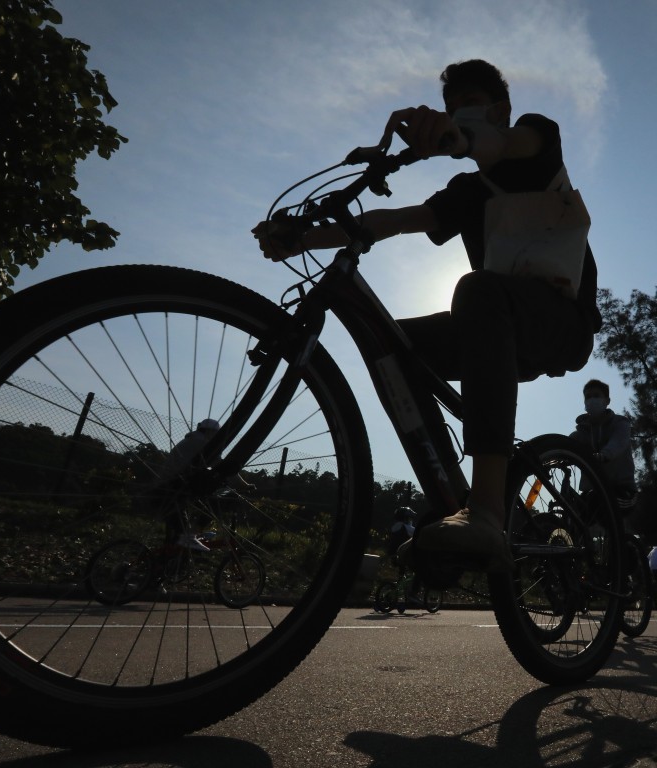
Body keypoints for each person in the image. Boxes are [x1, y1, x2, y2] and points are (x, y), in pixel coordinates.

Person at [252, 59, 600, 571]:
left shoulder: (536, 141)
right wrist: (299, 238)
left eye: (468, 107)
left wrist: (458, 137)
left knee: (477, 291)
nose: (457, 115)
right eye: (450, 109)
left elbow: (501, 146)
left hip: (561, 323)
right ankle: (449, 495)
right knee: (390, 344)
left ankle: (485, 509)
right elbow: (391, 221)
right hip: (496, 331)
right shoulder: (469, 192)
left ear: (500, 110)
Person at [570, 379, 637, 507]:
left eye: (596, 396)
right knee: (574, 513)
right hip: (592, 490)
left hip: (621, 489)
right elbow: (567, 443)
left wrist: (604, 455)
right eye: (588, 397)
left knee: (605, 507)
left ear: (607, 401)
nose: (592, 400)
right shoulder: (582, 431)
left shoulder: (620, 423)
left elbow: (618, 442)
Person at [159, 418, 221, 551]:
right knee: (214, 503)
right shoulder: (203, 443)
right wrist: (243, 485)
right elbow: (221, 466)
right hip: (177, 486)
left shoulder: (190, 440)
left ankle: (167, 561)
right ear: (212, 432)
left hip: (166, 485)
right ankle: (192, 535)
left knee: (175, 536)